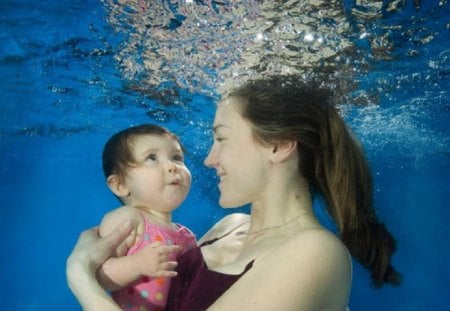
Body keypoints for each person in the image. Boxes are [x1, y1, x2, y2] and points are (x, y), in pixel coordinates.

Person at [67, 76, 401, 310]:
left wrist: (80, 274)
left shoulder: (313, 252)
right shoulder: (228, 229)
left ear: (278, 145)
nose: (210, 159)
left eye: (222, 139)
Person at [95, 124, 197, 310]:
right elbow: (99, 276)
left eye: (176, 157)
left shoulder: (186, 235)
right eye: (152, 158)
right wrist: (137, 264)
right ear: (120, 184)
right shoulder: (128, 220)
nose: (172, 166)